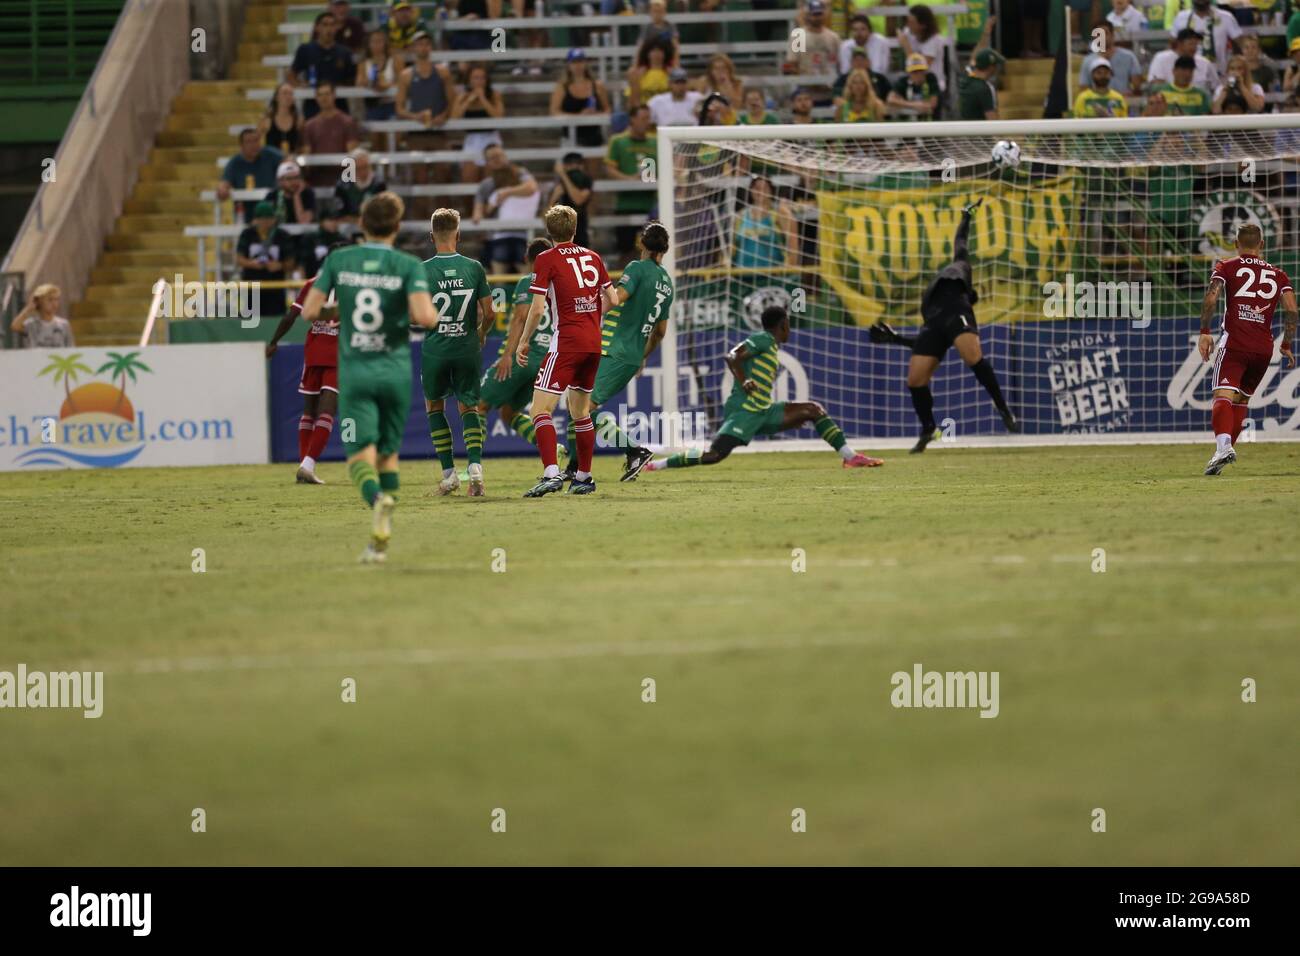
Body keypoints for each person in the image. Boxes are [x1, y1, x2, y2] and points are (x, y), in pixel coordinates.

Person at [300, 191, 437, 563]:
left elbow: (310, 311)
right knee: (389, 456)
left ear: (361, 224)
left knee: (360, 456)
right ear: (397, 226)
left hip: (357, 372)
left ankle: (377, 502)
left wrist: (339, 304)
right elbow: (426, 319)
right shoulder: (408, 264)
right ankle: (381, 543)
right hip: (394, 372)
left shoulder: (340, 259)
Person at [641, 305, 883, 473]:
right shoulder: (764, 339)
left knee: (813, 410)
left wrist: (788, 417)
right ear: (783, 325)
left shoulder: (771, 345)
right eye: (788, 325)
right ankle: (657, 465)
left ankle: (850, 457)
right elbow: (732, 356)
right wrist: (745, 380)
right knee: (714, 455)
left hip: (764, 410)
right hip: (745, 411)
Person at [868, 198, 1019, 453]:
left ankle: (1003, 408)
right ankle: (929, 428)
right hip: (934, 323)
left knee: (973, 358)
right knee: (915, 380)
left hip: (955, 315)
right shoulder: (959, 267)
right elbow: (960, 242)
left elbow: (960, 246)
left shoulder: (961, 293)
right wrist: (966, 216)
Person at [514, 204, 619, 497]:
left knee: (539, 410)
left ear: (549, 232)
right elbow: (612, 297)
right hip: (593, 343)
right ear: (575, 229)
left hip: (567, 343)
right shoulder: (593, 257)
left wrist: (524, 341)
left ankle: (551, 474)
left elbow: (536, 310)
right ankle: (584, 476)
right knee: (580, 412)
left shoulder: (546, 258)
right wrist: (592, 317)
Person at [559, 221, 674, 482]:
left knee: (582, 408)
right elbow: (660, 332)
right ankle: (574, 467)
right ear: (664, 250)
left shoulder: (637, 268)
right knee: (574, 402)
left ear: (641, 243)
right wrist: (643, 357)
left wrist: (585, 314)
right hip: (630, 355)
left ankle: (635, 450)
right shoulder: (667, 283)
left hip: (615, 351)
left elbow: (615, 298)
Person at [1198, 223, 1296, 476]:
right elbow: (1293, 310)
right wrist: (1286, 343)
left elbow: (1211, 298)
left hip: (1235, 343)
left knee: (1222, 395)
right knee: (1241, 400)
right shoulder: (1279, 274)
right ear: (1261, 245)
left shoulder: (1226, 266)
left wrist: (1204, 333)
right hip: (1264, 348)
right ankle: (1221, 453)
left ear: (1236, 244)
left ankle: (1223, 448)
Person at [421, 208, 496, 497]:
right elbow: (489, 312)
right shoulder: (474, 267)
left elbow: (414, 314)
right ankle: (475, 470)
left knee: (434, 407)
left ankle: (450, 475)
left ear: (431, 237)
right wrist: (480, 333)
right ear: (459, 235)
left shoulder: (422, 270)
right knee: (469, 407)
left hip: (436, 349)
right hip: (467, 346)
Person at [477, 238, 555, 450]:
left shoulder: (529, 280)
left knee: (478, 405)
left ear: (526, 259)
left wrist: (507, 356)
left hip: (523, 358)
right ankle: (551, 449)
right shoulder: (560, 284)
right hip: (547, 363)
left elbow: (521, 318)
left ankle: (473, 467)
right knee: (509, 413)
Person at [265, 272, 342, 485]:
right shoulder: (352, 282)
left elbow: (291, 316)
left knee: (309, 411)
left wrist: (273, 342)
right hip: (337, 353)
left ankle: (304, 464)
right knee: (327, 410)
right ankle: (307, 465)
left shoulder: (312, 284)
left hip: (314, 351)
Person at [473, 144, 540, 274]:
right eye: (493, 158)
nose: (497, 159)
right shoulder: (486, 185)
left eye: (499, 156)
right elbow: (478, 213)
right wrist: (489, 208)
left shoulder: (519, 174)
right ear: (487, 163)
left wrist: (505, 193)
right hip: (497, 237)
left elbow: (531, 187)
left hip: (522, 234)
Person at [604, 106, 657, 261]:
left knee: (653, 252)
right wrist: (629, 179)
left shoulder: (655, 141)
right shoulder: (618, 141)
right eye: (643, 118)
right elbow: (609, 169)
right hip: (625, 205)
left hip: (650, 206)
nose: (646, 122)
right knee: (625, 252)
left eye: (648, 118)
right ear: (632, 119)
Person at [550, 50, 610, 178]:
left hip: (593, 136)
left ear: (585, 63)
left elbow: (607, 110)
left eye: (580, 62)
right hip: (571, 138)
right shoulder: (562, 87)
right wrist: (579, 117)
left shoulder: (597, 86)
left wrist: (596, 115)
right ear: (569, 65)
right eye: (574, 62)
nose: (578, 66)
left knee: (592, 179)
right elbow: (555, 112)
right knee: (570, 178)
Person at [236, 201, 296, 322]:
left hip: (276, 288)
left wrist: (279, 265)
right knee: (250, 322)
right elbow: (239, 258)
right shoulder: (247, 234)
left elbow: (291, 261)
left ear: (274, 219)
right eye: (262, 219)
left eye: (268, 219)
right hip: (252, 287)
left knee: (275, 322)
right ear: (256, 220)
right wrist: (251, 264)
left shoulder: (282, 235)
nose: (265, 223)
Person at [291, 11, 355, 120]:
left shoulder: (345, 52)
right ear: (317, 28)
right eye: (325, 24)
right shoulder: (305, 49)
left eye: (332, 25)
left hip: (339, 104)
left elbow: (351, 80)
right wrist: (300, 84)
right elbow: (291, 74)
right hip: (313, 104)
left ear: (336, 28)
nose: (328, 28)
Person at [301, 81, 363, 188]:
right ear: (316, 98)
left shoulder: (347, 122)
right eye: (320, 95)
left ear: (334, 95)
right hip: (317, 180)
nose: (324, 98)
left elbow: (352, 155)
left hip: (343, 181)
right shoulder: (309, 125)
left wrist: (348, 184)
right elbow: (307, 158)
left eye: (327, 94)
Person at [452, 63, 506, 184]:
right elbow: (454, 118)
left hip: (491, 139)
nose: (479, 81)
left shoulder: (494, 95)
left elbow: (499, 117)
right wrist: (468, 101)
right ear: (469, 80)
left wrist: (483, 99)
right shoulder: (462, 96)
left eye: (482, 78)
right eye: (475, 78)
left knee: (490, 181)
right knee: (468, 180)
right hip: (472, 141)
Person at [218, 128, 283, 222]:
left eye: (256, 140)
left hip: (271, 207)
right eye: (249, 142)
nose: (254, 145)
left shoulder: (270, 154)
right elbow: (224, 183)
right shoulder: (235, 163)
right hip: (246, 210)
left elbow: (289, 162)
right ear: (241, 146)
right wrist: (222, 189)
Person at [784, 0, 839, 104]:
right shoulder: (798, 35)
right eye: (814, 14)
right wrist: (809, 81)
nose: (817, 17)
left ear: (824, 14)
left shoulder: (833, 37)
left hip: (829, 91)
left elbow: (838, 64)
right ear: (808, 15)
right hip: (806, 93)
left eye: (819, 13)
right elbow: (791, 64)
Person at [1171, 0, 1241, 73]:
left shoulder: (1226, 17)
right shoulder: (1181, 17)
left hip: (1220, 74)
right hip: (1189, 75)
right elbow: (1173, 46)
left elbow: (1240, 44)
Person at [1077, 22, 1142, 98]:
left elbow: (1137, 87)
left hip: (1123, 102)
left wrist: (1130, 94)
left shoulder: (1128, 56)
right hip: (1098, 103)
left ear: (1113, 35)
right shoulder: (1088, 60)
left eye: (1105, 33)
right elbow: (1084, 89)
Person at [1148, 29, 1218, 94]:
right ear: (1179, 43)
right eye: (1191, 44)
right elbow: (1156, 85)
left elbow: (1215, 87)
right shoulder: (1162, 58)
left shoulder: (1205, 63)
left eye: (1196, 44)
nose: (1194, 48)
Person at [900, 4, 949, 92]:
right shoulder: (910, 32)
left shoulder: (934, 40)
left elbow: (918, 68)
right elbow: (900, 33)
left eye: (912, 23)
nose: (908, 25)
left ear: (923, 26)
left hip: (933, 84)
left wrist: (906, 45)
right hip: (913, 83)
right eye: (907, 21)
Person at [549, 153, 593, 249]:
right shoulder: (558, 184)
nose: (574, 167)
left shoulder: (586, 180)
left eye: (578, 164)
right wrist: (553, 198)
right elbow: (545, 215)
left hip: (579, 232)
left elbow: (578, 200)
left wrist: (564, 176)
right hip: (559, 234)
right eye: (570, 164)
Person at [10, 284, 73, 348]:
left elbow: (70, 347)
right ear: (39, 302)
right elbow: (15, 326)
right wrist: (29, 308)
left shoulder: (64, 324)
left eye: (56, 299)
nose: (54, 303)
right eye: (50, 300)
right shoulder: (31, 324)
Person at [355, 29, 397, 122]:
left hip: (392, 103)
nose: (377, 44)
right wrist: (374, 84)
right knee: (375, 135)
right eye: (374, 41)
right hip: (373, 103)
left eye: (380, 41)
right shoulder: (363, 63)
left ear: (385, 43)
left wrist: (386, 86)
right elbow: (359, 82)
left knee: (394, 134)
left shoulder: (395, 61)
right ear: (368, 44)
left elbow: (402, 83)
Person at [334, 148, 386, 221]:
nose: (362, 172)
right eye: (358, 168)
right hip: (348, 229)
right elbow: (340, 214)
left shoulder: (379, 184)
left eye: (365, 167)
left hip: (374, 227)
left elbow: (382, 212)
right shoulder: (342, 185)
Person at [888, 53, 941, 121]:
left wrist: (902, 102)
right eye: (914, 72)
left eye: (921, 71)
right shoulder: (903, 81)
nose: (918, 74)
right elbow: (890, 99)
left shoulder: (931, 79)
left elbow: (932, 104)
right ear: (908, 73)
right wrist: (915, 105)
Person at [626, 38, 673, 110]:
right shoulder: (637, 74)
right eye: (653, 50)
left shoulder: (672, 73)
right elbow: (632, 100)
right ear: (647, 54)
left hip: (667, 111)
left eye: (660, 50)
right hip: (644, 112)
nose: (657, 53)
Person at [958, 48, 1004, 121]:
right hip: (980, 131)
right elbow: (993, 120)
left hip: (963, 130)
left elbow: (972, 64)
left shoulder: (966, 77)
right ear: (991, 67)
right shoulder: (986, 88)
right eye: (996, 65)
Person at [839, 13, 890, 77]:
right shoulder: (845, 46)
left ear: (870, 31)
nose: (858, 33)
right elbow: (845, 71)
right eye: (855, 30)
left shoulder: (881, 42)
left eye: (863, 29)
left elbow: (880, 71)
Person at [260, 82, 304, 155]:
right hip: (272, 163)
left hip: (292, 162)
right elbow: (257, 143)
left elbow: (303, 145)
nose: (288, 96)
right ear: (276, 97)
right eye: (284, 93)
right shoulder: (266, 120)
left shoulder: (299, 120)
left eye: (291, 94)